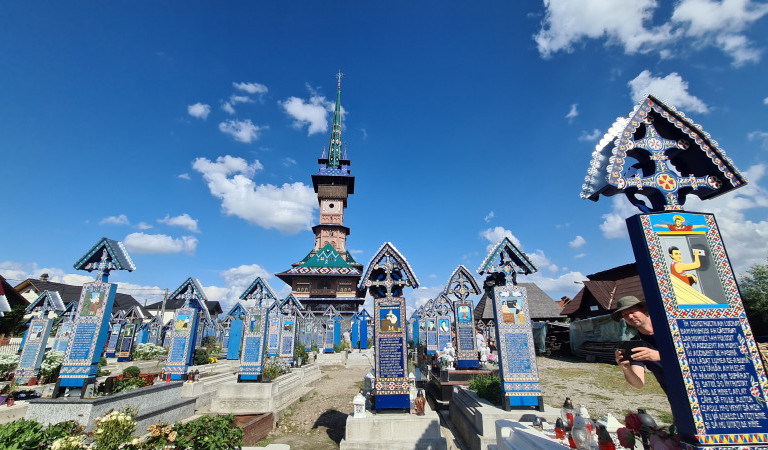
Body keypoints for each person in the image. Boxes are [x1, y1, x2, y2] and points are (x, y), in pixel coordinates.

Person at [612, 296, 667, 395]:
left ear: (645, 310)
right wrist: (625, 368)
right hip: (674, 393)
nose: (629, 317)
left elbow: (698, 353)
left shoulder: (670, 329)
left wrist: (660, 356)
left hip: (696, 384)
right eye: (624, 314)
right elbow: (638, 384)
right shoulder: (635, 344)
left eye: (632, 312)